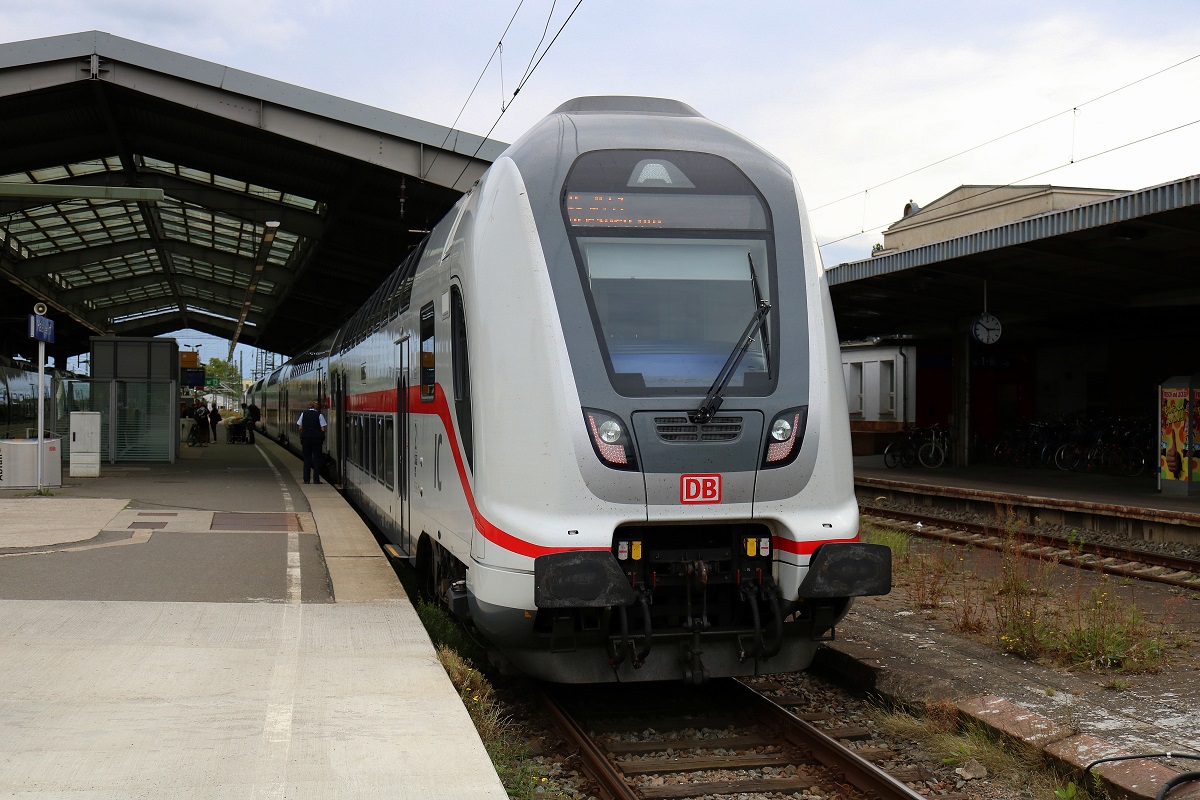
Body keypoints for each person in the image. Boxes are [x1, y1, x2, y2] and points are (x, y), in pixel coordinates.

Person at [296, 399, 327, 484]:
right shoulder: (319, 415)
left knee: (306, 459)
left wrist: (307, 429)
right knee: (317, 459)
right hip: (317, 440)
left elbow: (300, 427)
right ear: (316, 407)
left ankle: (306, 479)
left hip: (306, 439)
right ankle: (316, 480)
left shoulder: (303, 414)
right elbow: (323, 428)